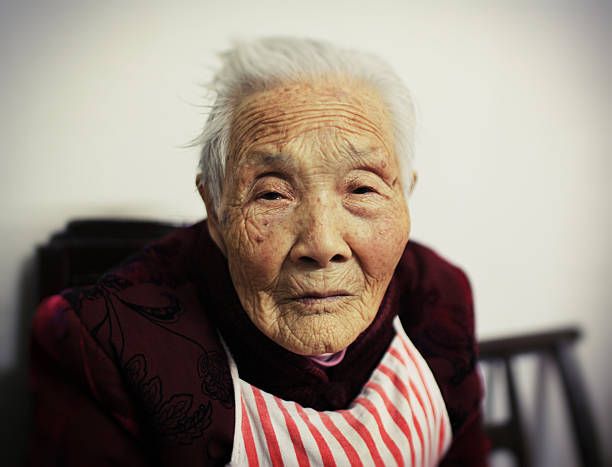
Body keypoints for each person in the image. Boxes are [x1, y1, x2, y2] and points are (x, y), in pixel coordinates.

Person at [29, 38, 489, 466]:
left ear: (405, 195)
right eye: (272, 194)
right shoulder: (105, 343)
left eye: (362, 188)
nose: (323, 246)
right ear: (215, 208)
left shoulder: (440, 297)